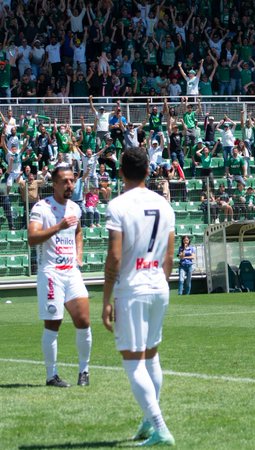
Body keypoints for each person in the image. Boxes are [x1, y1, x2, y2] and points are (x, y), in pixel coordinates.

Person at [101, 147, 176, 445]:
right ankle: (149, 419)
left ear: (121, 172)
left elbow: (114, 259)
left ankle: (160, 427)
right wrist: (159, 280)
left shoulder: (118, 206)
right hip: (159, 286)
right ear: (148, 171)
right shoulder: (165, 205)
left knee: (133, 361)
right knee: (151, 357)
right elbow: (169, 257)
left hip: (132, 289)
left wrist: (106, 298)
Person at [27, 165, 91, 388]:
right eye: (64, 181)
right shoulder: (41, 208)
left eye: (72, 180)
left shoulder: (75, 207)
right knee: (54, 323)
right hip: (51, 273)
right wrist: (58, 226)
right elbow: (32, 238)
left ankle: (84, 371)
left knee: (83, 321)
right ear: (54, 184)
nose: (69, 185)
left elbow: (78, 231)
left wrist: (79, 254)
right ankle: (51, 375)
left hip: (71, 272)